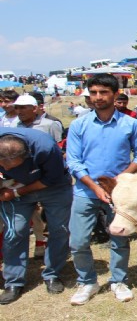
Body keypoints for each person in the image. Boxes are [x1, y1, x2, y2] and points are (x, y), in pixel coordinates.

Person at [66, 73, 137, 305]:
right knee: (79, 241)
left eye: (103, 92)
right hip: (85, 192)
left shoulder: (132, 124)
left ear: (115, 95)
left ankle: (119, 280)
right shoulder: (79, 125)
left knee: (119, 238)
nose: (97, 97)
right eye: (93, 93)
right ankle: (87, 282)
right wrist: (95, 186)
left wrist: (120, 179)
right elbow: (73, 161)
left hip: (119, 193)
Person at [0, 128, 73, 304]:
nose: (5, 168)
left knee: (59, 230)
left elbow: (51, 179)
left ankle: (52, 274)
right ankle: (14, 282)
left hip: (54, 187)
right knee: (14, 232)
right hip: (13, 187)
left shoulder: (45, 147)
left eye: (11, 166)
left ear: (26, 156)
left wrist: (16, 192)